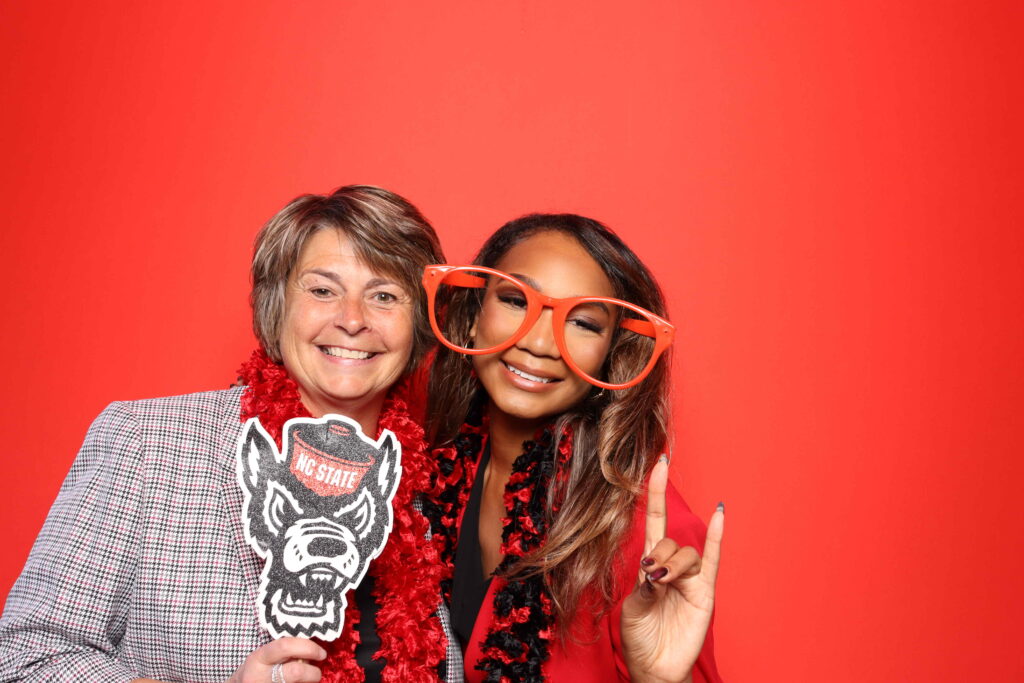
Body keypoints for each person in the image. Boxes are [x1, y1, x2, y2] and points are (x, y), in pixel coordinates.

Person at [0, 186, 462, 683]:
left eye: (384, 296)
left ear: (418, 322)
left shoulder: (435, 483)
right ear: (277, 304)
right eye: (323, 290)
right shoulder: (148, 444)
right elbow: (26, 655)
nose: (352, 319)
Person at [423, 214, 724, 682]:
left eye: (582, 323)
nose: (540, 342)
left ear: (613, 354)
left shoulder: (645, 532)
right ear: (471, 317)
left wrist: (665, 682)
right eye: (512, 300)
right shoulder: (430, 473)